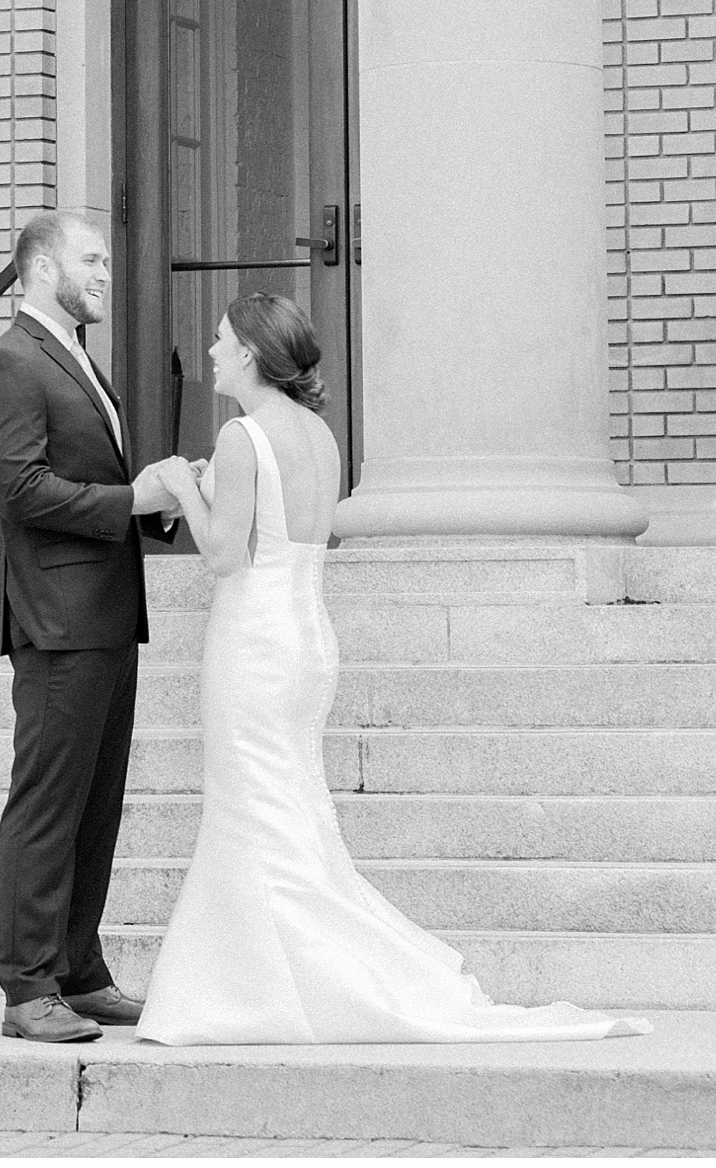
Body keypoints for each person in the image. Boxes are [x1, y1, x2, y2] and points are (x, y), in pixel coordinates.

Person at [138, 291, 651, 1045]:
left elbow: (223, 556)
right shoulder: (316, 431)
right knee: (289, 808)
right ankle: (271, 980)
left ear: (249, 353)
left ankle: (253, 989)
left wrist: (183, 483)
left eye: (219, 340)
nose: (210, 351)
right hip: (306, 632)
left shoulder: (243, 434)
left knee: (254, 806)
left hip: (253, 641)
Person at [0, 212, 185, 1044]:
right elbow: (20, 491)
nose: (104, 271)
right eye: (89, 259)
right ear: (38, 265)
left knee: (97, 807)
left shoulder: (76, 360)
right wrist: (135, 500)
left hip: (106, 616)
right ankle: (28, 987)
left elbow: (89, 475)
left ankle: (78, 972)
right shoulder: (10, 364)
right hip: (56, 622)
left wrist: (160, 503)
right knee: (48, 807)